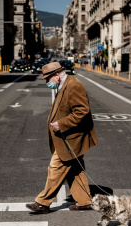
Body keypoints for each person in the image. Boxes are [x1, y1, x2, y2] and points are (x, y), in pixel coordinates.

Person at [26, 62, 98, 214]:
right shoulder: (64, 84)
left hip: (72, 138)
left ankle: (43, 203)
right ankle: (85, 201)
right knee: (75, 170)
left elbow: (82, 111)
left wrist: (62, 123)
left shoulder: (73, 85)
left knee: (55, 168)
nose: (47, 82)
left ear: (57, 75)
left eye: (48, 79)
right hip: (67, 137)